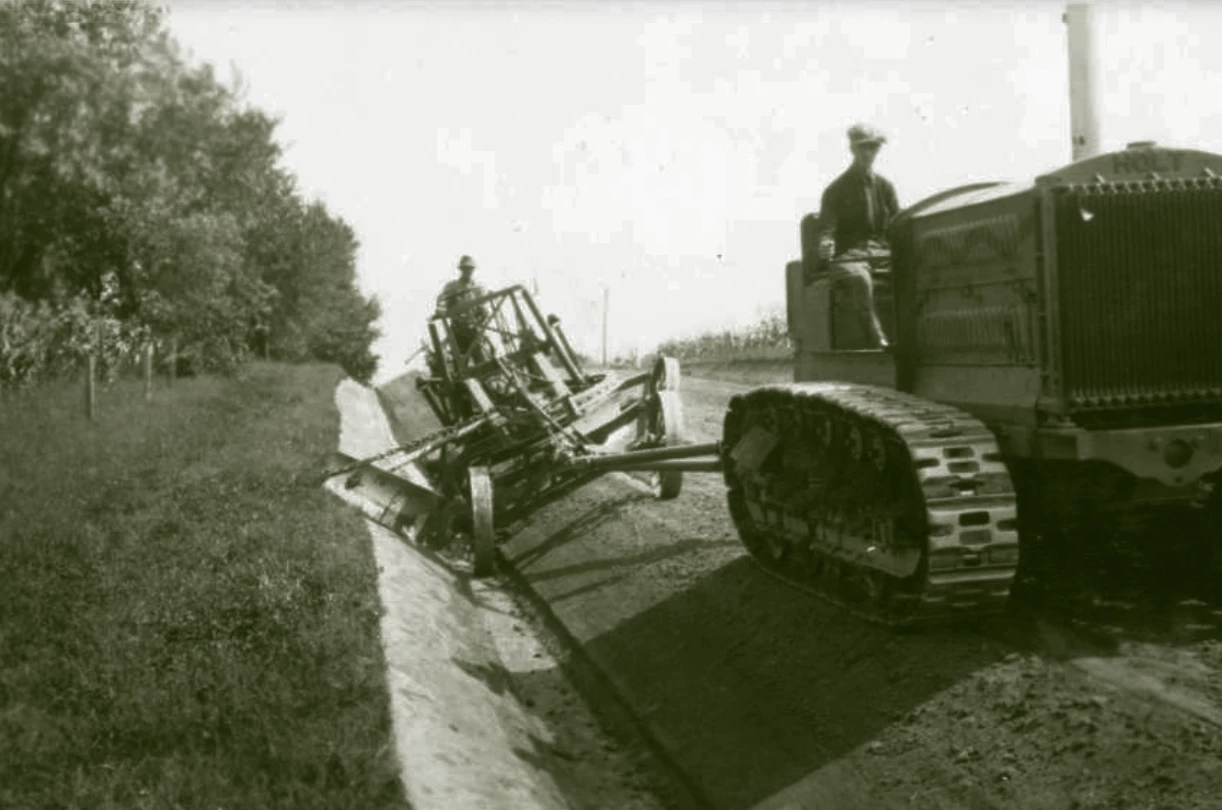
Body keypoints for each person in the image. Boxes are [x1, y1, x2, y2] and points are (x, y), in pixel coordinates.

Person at [815, 123, 899, 349]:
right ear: (852, 149)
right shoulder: (835, 191)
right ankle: (877, 339)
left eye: (873, 148)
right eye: (863, 148)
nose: (868, 153)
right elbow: (827, 228)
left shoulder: (886, 188)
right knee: (861, 279)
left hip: (881, 253)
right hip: (848, 257)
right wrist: (826, 243)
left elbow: (896, 226)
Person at [435, 255, 488, 356]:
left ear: (473, 270)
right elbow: (441, 303)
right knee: (459, 362)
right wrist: (443, 310)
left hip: (474, 330)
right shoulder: (451, 287)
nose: (467, 271)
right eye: (465, 269)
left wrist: (478, 322)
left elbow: (484, 311)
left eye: (470, 269)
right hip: (457, 330)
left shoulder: (478, 288)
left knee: (481, 358)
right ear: (461, 269)